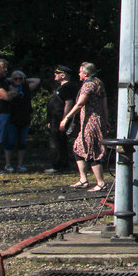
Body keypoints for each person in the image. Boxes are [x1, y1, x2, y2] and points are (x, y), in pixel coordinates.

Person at [59, 62, 108, 192]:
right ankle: (83, 179)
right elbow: (104, 105)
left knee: (92, 150)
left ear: (85, 73)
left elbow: (80, 103)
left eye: (80, 72)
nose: (78, 74)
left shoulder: (88, 85)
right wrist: (106, 120)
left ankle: (101, 182)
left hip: (91, 123)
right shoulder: (98, 84)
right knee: (78, 147)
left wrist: (67, 118)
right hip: (96, 121)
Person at [4, 70, 42, 172]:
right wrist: (10, 81)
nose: (18, 80)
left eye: (20, 78)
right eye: (16, 78)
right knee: (10, 141)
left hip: (25, 118)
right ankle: (8, 164)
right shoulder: (9, 88)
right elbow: (3, 81)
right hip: (13, 118)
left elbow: (37, 81)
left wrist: (24, 79)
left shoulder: (26, 88)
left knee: (22, 142)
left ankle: (20, 164)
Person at [45, 65, 79, 174]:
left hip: (60, 119)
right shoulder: (61, 87)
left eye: (57, 73)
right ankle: (60, 164)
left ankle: (59, 165)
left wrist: (65, 119)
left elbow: (68, 103)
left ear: (63, 75)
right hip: (55, 119)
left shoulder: (67, 87)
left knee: (58, 142)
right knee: (57, 141)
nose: (55, 75)